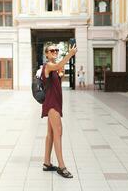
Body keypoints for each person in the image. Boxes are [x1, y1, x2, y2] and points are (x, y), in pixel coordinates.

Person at [41, 43, 77, 178]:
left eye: (56, 50)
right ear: (46, 54)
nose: (55, 51)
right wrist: (70, 54)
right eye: (52, 50)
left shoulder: (55, 68)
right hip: (51, 104)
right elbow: (57, 66)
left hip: (55, 102)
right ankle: (61, 166)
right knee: (58, 132)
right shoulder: (49, 66)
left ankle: (46, 163)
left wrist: (61, 73)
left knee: (50, 133)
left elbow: (59, 76)